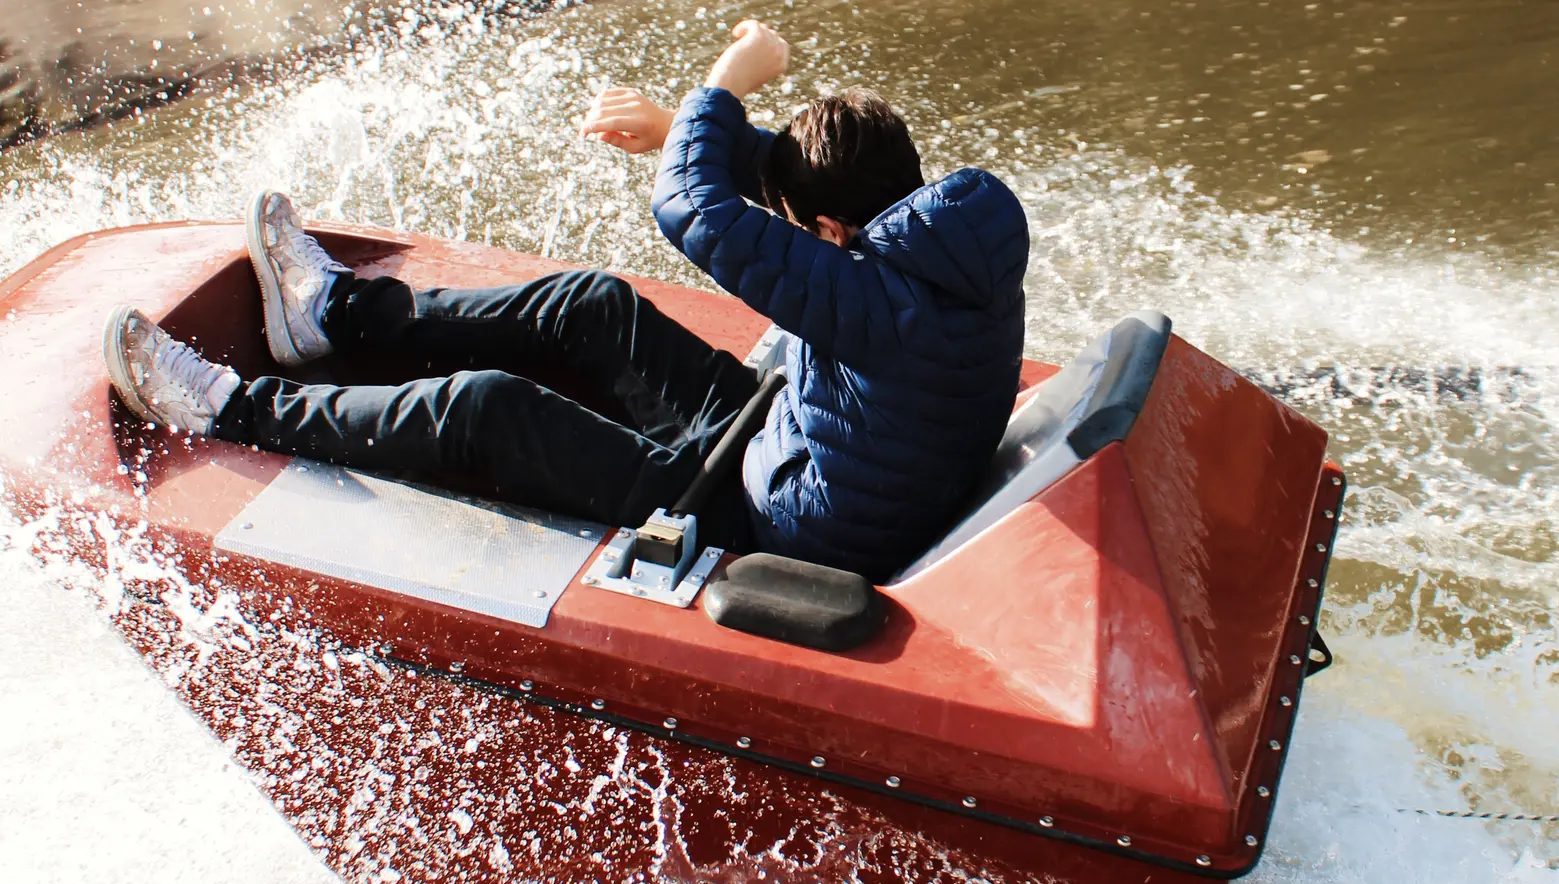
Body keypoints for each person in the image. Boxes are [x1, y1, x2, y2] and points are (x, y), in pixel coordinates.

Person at [103, 19, 1029, 581]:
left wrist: (729, 77)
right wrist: (683, 131)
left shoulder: (881, 307)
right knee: (594, 305)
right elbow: (798, 193)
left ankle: (228, 407)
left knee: (488, 410)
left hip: (772, 523)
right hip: (787, 441)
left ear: (828, 235)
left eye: (794, 227)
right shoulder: (941, 241)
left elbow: (692, 208)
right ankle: (333, 314)